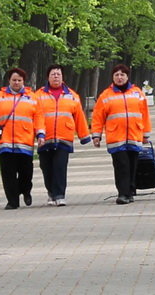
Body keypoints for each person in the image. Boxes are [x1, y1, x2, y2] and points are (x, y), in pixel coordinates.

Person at [0, 67, 46, 209]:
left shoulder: (32, 98)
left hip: (24, 141)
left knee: (26, 172)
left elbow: (39, 118)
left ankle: (26, 190)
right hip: (4, 142)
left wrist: (40, 134)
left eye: (19, 80)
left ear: (24, 81)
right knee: (8, 174)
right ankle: (12, 201)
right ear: (9, 81)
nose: (16, 82)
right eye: (14, 80)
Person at [91, 64, 153, 204]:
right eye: (116, 75)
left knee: (132, 165)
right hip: (116, 137)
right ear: (112, 77)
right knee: (121, 166)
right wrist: (96, 135)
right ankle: (123, 193)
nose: (119, 78)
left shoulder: (137, 93)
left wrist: (146, 134)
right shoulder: (106, 95)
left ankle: (130, 190)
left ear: (127, 76)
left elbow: (145, 115)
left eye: (122, 75)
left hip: (134, 135)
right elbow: (98, 117)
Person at [33, 64, 91, 206]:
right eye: (53, 74)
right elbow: (34, 116)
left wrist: (84, 136)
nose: (56, 77)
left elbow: (79, 116)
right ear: (48, 77)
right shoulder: (38, 95)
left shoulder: (72, 96)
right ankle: (51, 193)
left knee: (60, 166)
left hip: (64, 137)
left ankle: (60, 195)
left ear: (63, 77)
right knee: (46, 167)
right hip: (44, 138)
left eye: (58, 74)